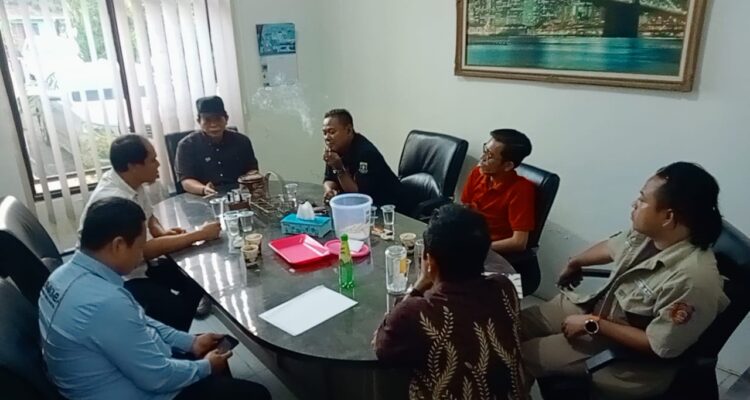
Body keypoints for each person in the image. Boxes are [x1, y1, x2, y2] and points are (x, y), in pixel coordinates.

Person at [521, 162, 729, 399]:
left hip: (624, 353)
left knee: (519, 357)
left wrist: (593, 324)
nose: (634, 204)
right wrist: (576, 262)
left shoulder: (693, 280)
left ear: (668, 216)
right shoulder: (652, 234)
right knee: (507, 325)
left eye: (642, 199)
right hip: (600, 309)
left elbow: (659, 346)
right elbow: (613, 247)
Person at [40, 197, 270, 400]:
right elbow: (158, 379)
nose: (142, 254)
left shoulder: (62, 276)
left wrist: (189, 342)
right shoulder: (105, 303)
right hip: (134, 390)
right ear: (118, 245)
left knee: (212, 361)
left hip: (115, 375)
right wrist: (206, 367)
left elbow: (138, 320)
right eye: (140, 247)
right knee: (257, 394)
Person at [374, 204, 525, 400]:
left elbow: (382, 346)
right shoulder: (506, 287)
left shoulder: (416, 313)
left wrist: (420, 284)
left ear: (430, 260)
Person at [80, 134, 221, 330]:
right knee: (176, 308)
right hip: (118, 278)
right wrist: (200, 234)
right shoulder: (116, 200)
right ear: (133, 166)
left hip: (137, 264)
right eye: (152, 160)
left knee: (196, 276)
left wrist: (162, 234)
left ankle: (171, 330)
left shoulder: (129, 180)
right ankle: (169, 337)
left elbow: (149, 217)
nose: (158, 164)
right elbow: (143, 250)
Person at [461, 128, 535, 253]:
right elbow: (465, 207)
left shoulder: (521, 190)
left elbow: (519, 242)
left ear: (508, 166)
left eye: (489, 156)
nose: (482, 158)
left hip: (490, 249)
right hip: (470, 237)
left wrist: (477, 249)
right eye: (485, 150)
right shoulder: (478, 173)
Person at [175, 96, 259, 195]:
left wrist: (251, 179)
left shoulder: (242, 141)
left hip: (239, 194)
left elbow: (252, 170)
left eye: (218, 119)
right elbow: (186, 181)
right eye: (207, 120)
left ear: (226, 119)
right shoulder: (186, 145)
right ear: (199, 121)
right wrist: (203, 189)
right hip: (202, 197)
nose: (213, 125)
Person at [322, 108, 404, 208]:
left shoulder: (366, 153)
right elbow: (329, 179)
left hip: (391, 208)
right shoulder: (334, 150)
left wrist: (339, 168)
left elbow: (358, 196)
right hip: (362, 208)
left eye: (332, 132)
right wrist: (330, 190)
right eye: (324, 133)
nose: (327, 137)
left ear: (348, 130)